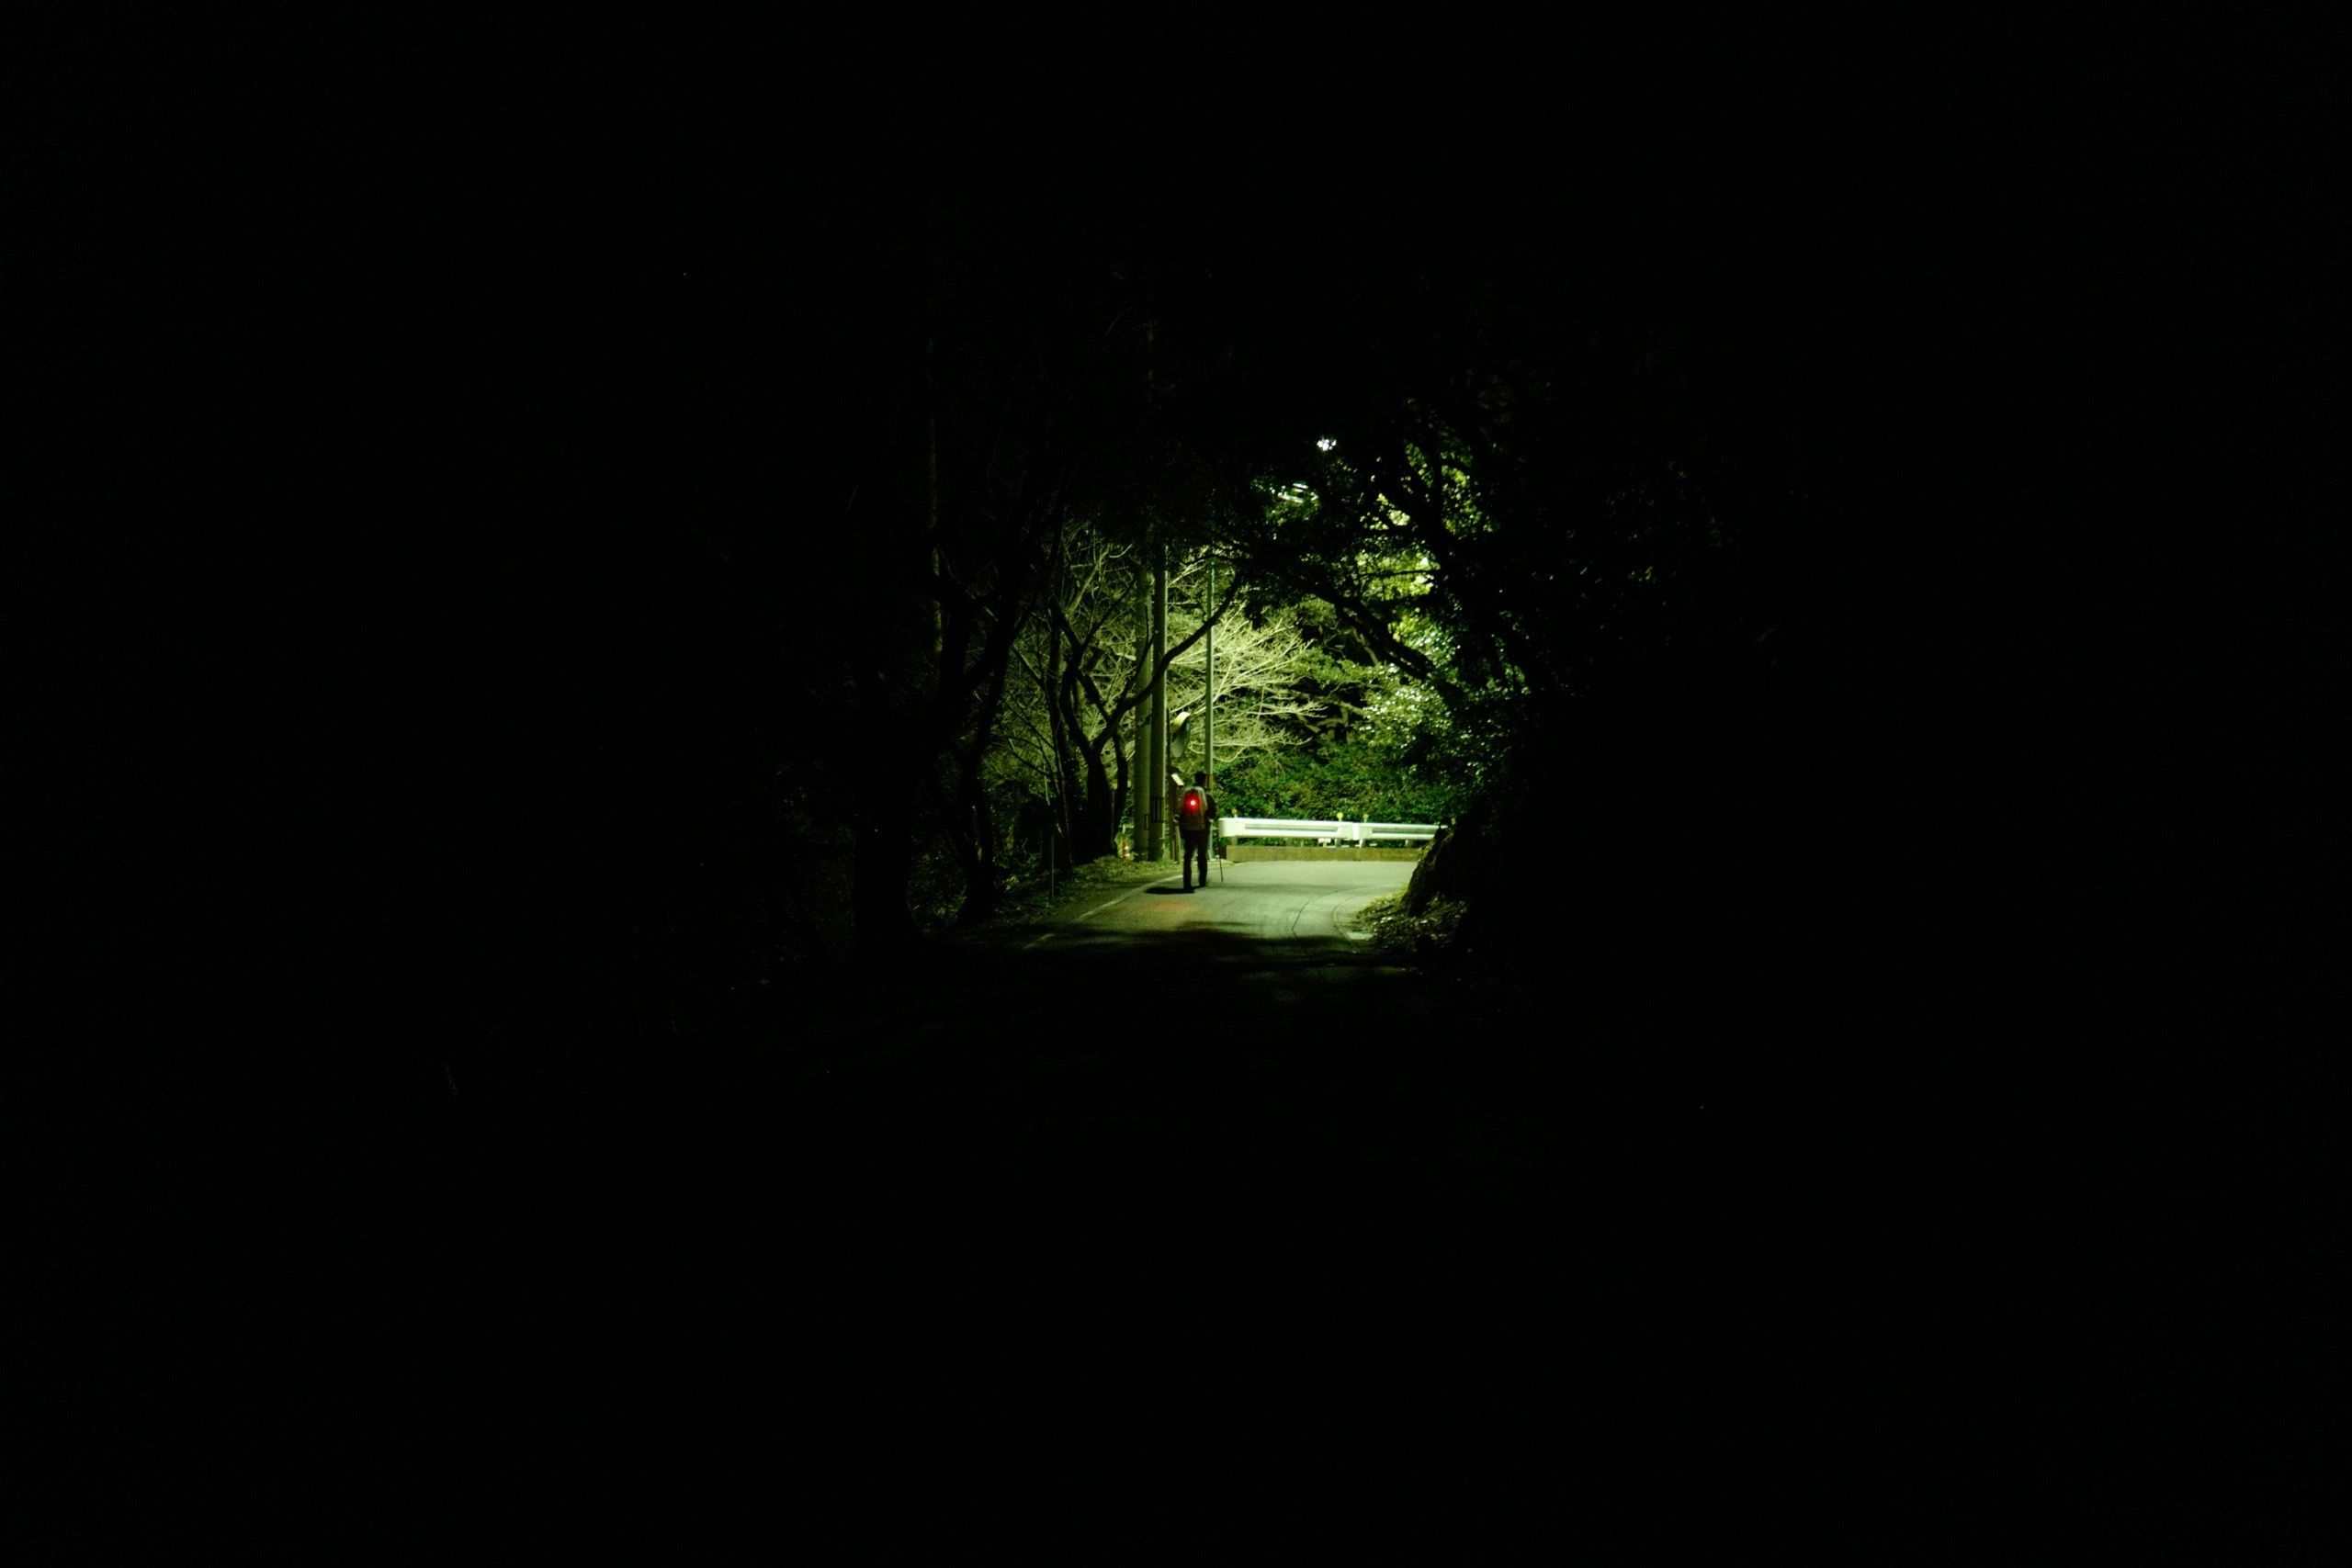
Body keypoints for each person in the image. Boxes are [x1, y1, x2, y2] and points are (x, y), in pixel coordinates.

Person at [1175, 770, 1217, 892]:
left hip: (1187, 828)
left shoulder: (1187, 792)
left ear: (1194, 779)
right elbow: (1212, 812)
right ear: (1204, 780)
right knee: (1202, 854)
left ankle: (1186, 882)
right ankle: (1202, 880)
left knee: (1188, 855)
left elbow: (1180, 809)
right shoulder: (1207, 794)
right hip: (1202, 828)